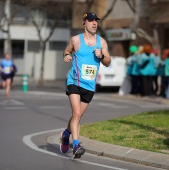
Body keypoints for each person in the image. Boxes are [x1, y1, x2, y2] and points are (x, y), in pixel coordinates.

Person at [60, 12, 111, 159]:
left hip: (89, 85)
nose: (94, 23)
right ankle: (76, 145)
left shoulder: (101, 42)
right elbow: (66, 51)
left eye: (96, 20)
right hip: (74, 81)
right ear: (84, 23)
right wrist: (67, 56)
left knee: (78, 115)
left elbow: (108, 62)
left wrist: (101, 56)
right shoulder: (76, 40)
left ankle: (66, 134)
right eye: (90, 20)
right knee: (76, 113)